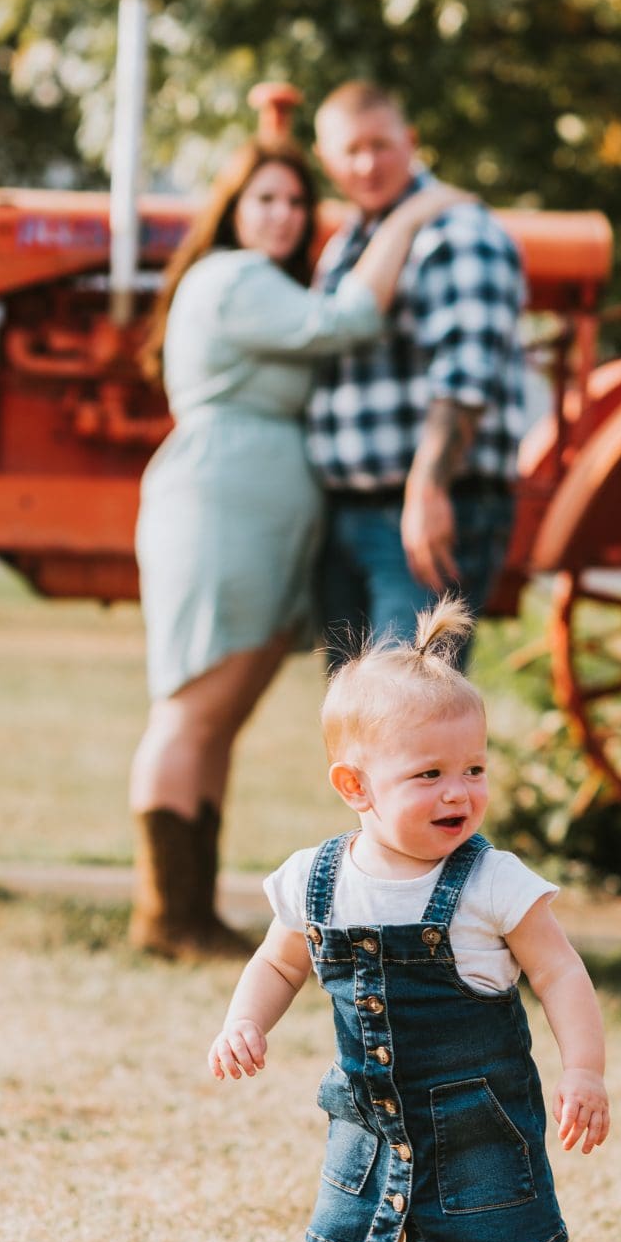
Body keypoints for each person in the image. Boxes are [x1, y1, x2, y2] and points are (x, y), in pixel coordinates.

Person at [206, 599, 611, 1242]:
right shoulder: (317, 878)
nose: (460, 790)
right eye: (428, 774)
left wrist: (584, 1070)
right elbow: (281, 963)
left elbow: (560, 972)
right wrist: (247, 1020)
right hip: (366, 1110)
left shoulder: (493, 881)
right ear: (355, 785)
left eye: (474, 767)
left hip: (477, 1116)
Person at [129, 136, 475, 958]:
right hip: (223, 503)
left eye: (293, 202)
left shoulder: (259, 282)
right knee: (192, 707)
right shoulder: (233, 275)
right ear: (233, 211)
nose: (281, 216)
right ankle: (165, 913)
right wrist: (414, 211)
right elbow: (350, 317)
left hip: (257, 508)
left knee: (220, 713)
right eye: (265, 200)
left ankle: (189, 908)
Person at [307, 83, 530, 669]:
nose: (367, 163)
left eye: (381, 145)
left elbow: (467, 371)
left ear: (410, 142)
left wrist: (427, 488)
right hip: (352, 515)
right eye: (350, 150)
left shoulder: (458, 233)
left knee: (409, 725)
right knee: (360, 725)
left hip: (420, 511)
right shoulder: (349, 243)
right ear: (325, 158)